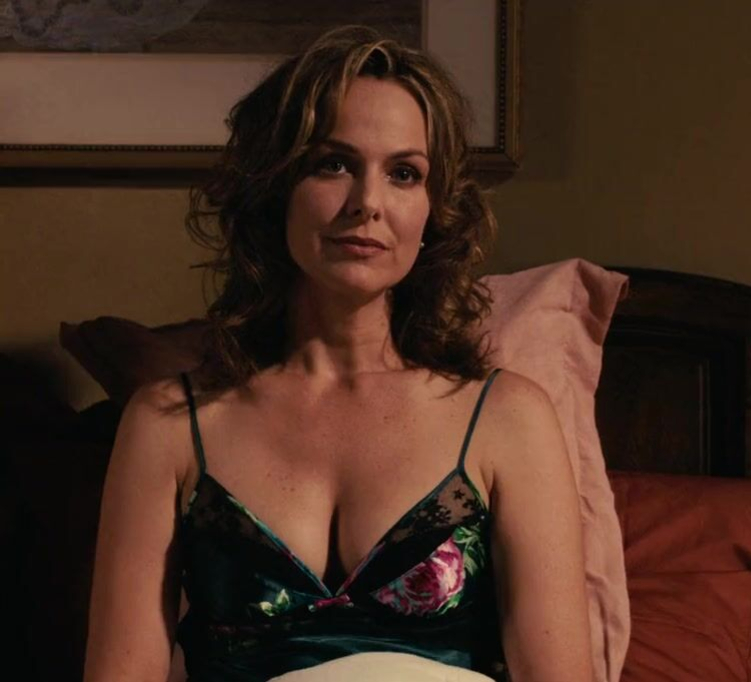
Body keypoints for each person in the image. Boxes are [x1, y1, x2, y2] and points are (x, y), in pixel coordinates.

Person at [84, 26, 593, 682]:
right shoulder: (169, 424)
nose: (367, 204)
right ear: (275, 186)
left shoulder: (508, 418)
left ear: (433, 210)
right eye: (333, 164)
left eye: (404, 174)